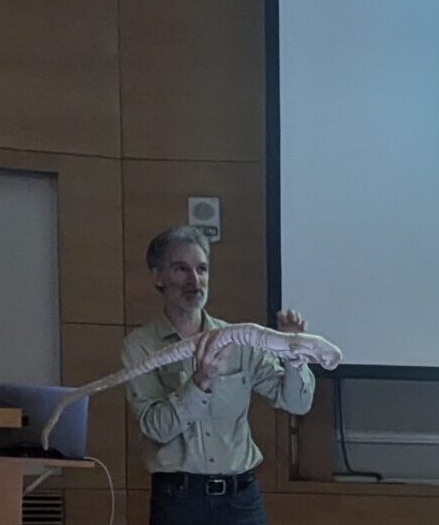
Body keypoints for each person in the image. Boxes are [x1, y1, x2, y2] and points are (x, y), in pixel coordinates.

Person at [123, 225, 315, 525]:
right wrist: (199, 382)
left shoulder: (238, 340)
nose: (194, 280)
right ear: (158, 277)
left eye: (201, 269)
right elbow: (156, 428)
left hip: (240, 499)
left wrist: (293, 353)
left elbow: (296, 403)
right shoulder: (140, 347)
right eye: (180, 269)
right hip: (179, 501)